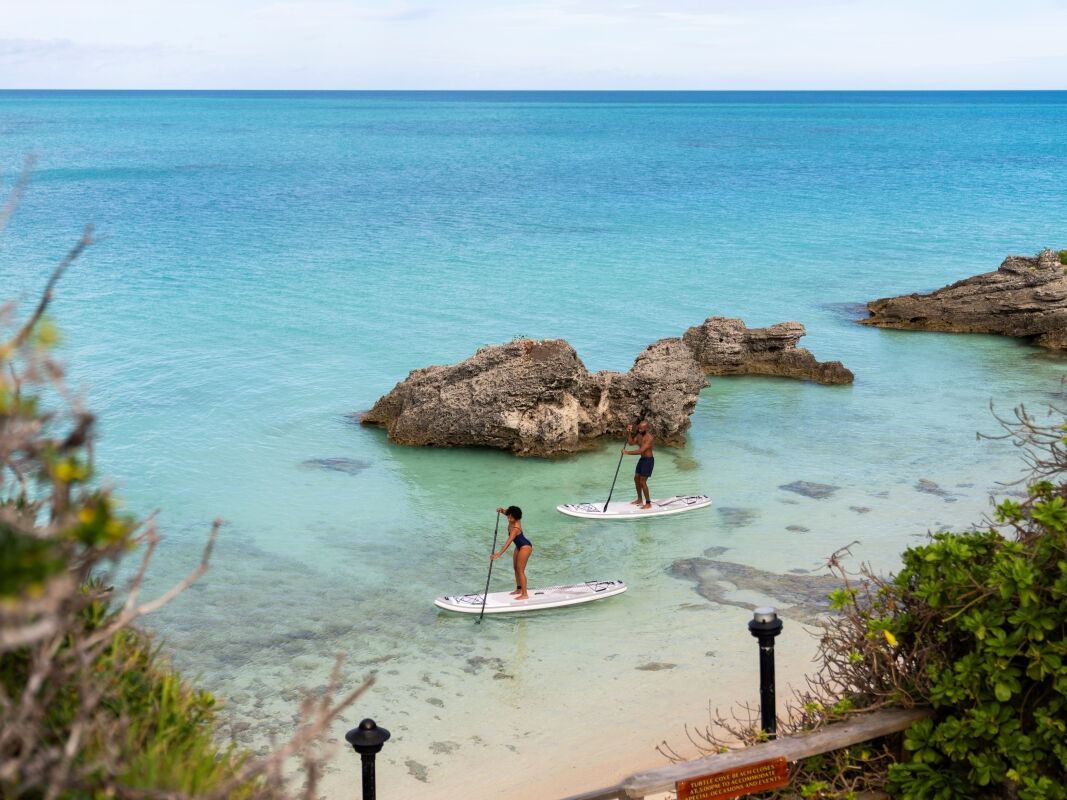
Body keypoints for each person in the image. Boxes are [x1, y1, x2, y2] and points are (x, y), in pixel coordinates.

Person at [491, 505, 533, 601]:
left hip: (525, 547)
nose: (509, 519)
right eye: (508, 516)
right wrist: (501, 510)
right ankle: (519, 589)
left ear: (516, 518)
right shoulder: (511, 516)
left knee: (520, 570)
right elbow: (506, 512)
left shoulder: (515, 528)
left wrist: (498, 554)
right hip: (518, 547)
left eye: (511, 517)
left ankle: (525, 594)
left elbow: (508, 543)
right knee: (515, 568)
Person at [622, 420, 654, 509]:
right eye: (639, 428)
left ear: (647, 428)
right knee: (636, 478)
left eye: (641, 429)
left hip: (648, 461)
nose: (639, 430)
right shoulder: (639, 435)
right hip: (642, 459)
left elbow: (640, 450)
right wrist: (628, 433)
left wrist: (627, 452)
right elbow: (631, 443)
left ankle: (648, 503)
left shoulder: (649, 438)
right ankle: (639, 499)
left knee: (643, 482)